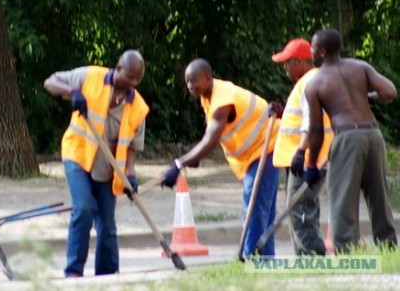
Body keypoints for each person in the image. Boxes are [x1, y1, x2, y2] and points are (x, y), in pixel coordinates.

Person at [161, 58, 280, 258]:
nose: (190, 86)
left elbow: (210, 141)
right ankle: (265, 259)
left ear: (208, 78)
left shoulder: (222, 99)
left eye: (194, 81)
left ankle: (251, 257)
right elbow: (213, 135)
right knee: (262, 208)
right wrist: (194, 157)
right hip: (254, 151)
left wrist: (179, 164)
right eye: (188, 81)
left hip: (265, 146)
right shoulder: (208, 95)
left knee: (254, 205)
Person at [43, 50, 148, 277]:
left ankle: (108, 275)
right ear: (118, 68)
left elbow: (131, 147)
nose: (132, 83)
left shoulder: (138, 107)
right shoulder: (90, 76)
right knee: (84, 208)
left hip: (107, 169)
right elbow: (50, 82)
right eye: (129, 76)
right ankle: (73, 272)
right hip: (77, 155)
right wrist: (72, 92)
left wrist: (129, 175)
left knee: (107, 224)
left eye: (136, 79)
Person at [305, 28, 397, 252]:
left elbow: (315, 131)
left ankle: (347, 249)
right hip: (373, 135)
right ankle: (388, 245)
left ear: (323, 52)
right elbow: (389, 91)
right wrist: (369, 98)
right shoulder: (360, 67)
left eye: (313, 48)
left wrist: (311, 164)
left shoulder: (315, 84)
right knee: (379, 195)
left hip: (347, 138)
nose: (311, 52)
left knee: (342, 197)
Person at [271, 38, 334, 255]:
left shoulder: (309, 81)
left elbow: (311, 122)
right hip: (306, 157)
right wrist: (281, 114)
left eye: (287, 62)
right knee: (302, 207)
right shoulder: (309, 80)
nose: (284, 67)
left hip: (308, 158)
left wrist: (301, 153)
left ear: (299, 61)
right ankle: (304, 258)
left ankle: (312, 256)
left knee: (300, 208)